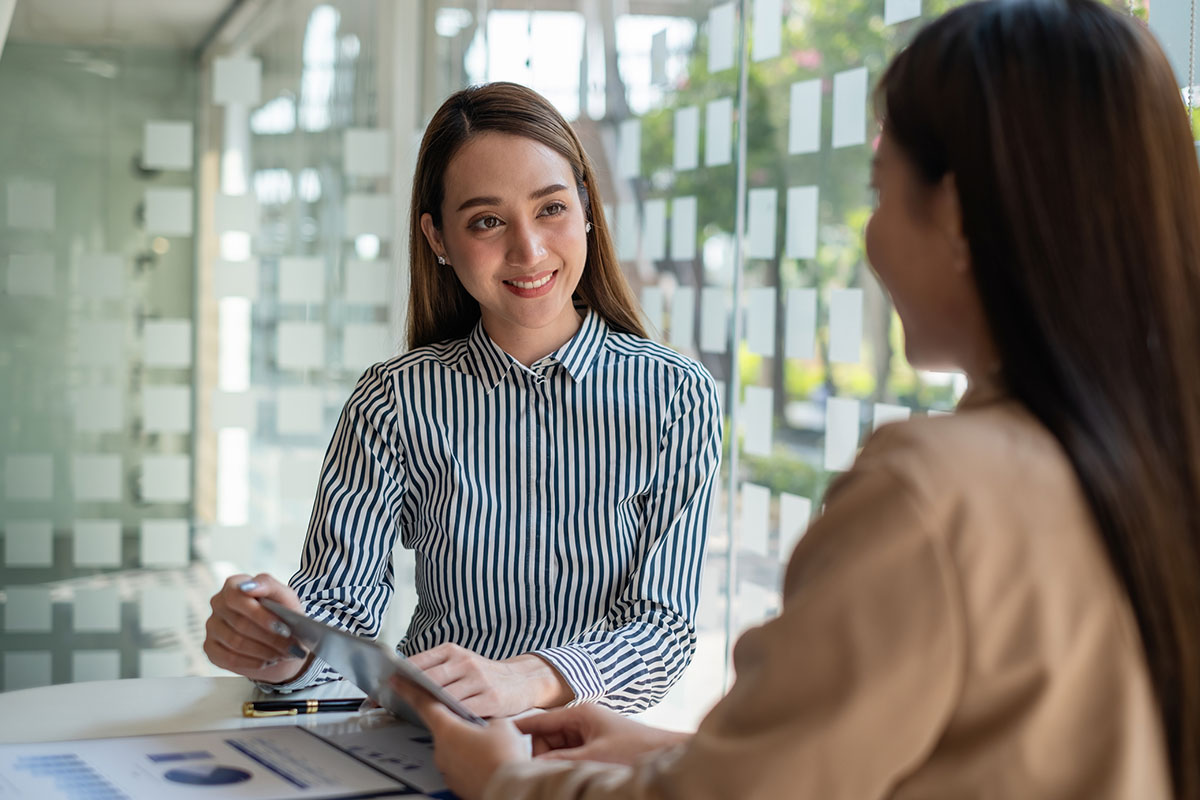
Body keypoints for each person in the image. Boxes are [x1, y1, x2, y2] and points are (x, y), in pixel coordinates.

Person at [395, 0, 1200, 797]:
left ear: (953, 214)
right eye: (487, 222)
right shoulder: (1152, 456)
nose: (871, 236)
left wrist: (504, 782)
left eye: (880, 190)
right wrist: (662, 752)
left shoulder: (932, 491)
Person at [202, 82, 723, 718]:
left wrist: (528, 679)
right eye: (486, 221)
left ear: (588, 209)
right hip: (428, 748)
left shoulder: (674, 395)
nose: (528, 250)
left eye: (551, 208)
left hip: (591, 759)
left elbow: (662, 631)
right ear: (439, 238)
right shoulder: (392, 400)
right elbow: (340, 606)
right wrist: (277, 642)